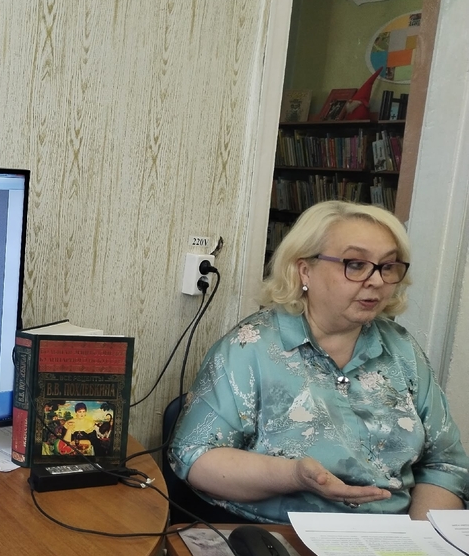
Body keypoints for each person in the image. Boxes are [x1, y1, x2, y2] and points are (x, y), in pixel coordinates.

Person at [169, 200, 469, 523]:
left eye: (387, 266)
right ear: (305, 270)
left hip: (392, 538)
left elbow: (445, 465)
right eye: (356, 264)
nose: (377, 281)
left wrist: (420, 543)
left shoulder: (402, 350)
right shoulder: (250, 347)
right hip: (278, 534)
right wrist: (294, 475)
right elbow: (194, 456)